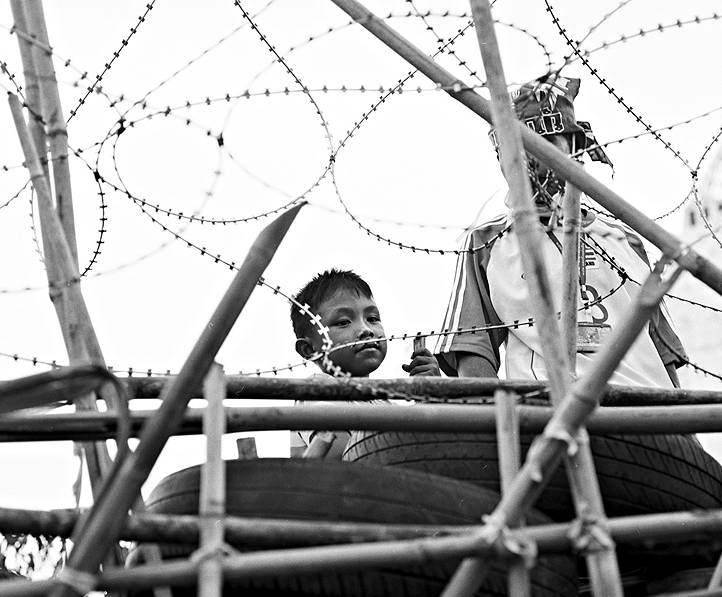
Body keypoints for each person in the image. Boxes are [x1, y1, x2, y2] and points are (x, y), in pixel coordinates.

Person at [434, 73, 687, 388]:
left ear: (575, 150)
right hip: (553, 409)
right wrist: (501, 423)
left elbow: (660, 349)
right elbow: (474, 352)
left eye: (546, 146)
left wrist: (679, 423)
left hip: (646, 409)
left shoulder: (626, 239)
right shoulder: (488, 244)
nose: (531, 163)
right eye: (516, 151)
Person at [289, 268, 440, 458]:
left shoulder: (383, 404)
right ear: (310, 350)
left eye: (372, 318)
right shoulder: (317, 391)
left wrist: (432, 397)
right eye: (343, 322)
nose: (366, 329)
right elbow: (346, 458)